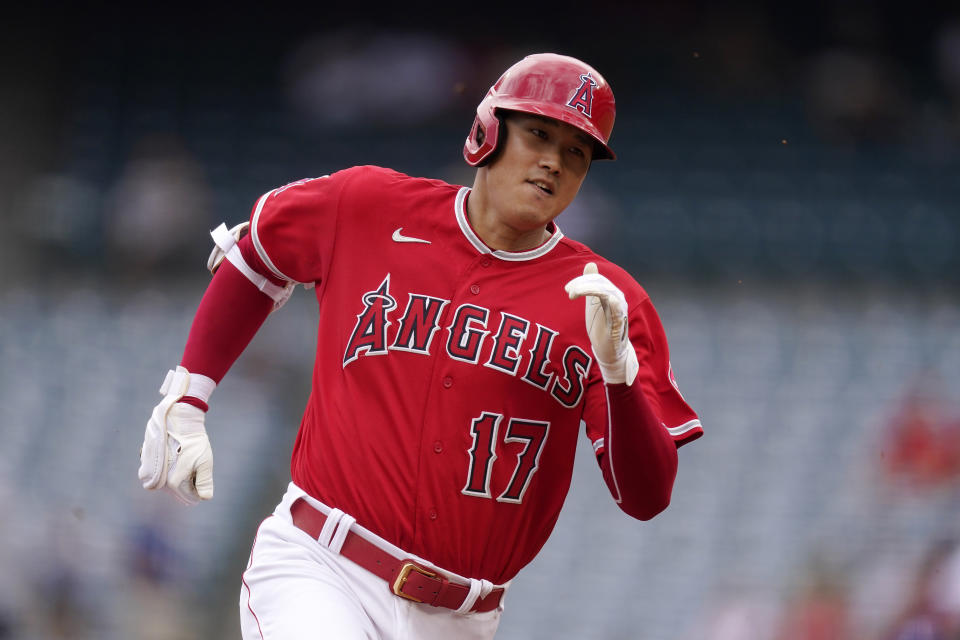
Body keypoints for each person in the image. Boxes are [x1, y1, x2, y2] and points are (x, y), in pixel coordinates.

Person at [137, 52, 703, 640]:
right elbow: (257, 255)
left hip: (463, 618)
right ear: (487, 132)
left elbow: (646, 496)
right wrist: (187, 396)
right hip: (323, 567)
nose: (552, 162)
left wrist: (619, 376)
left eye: (576, 153)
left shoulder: (608, 301)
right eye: (538, 134)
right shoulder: (369, 207)